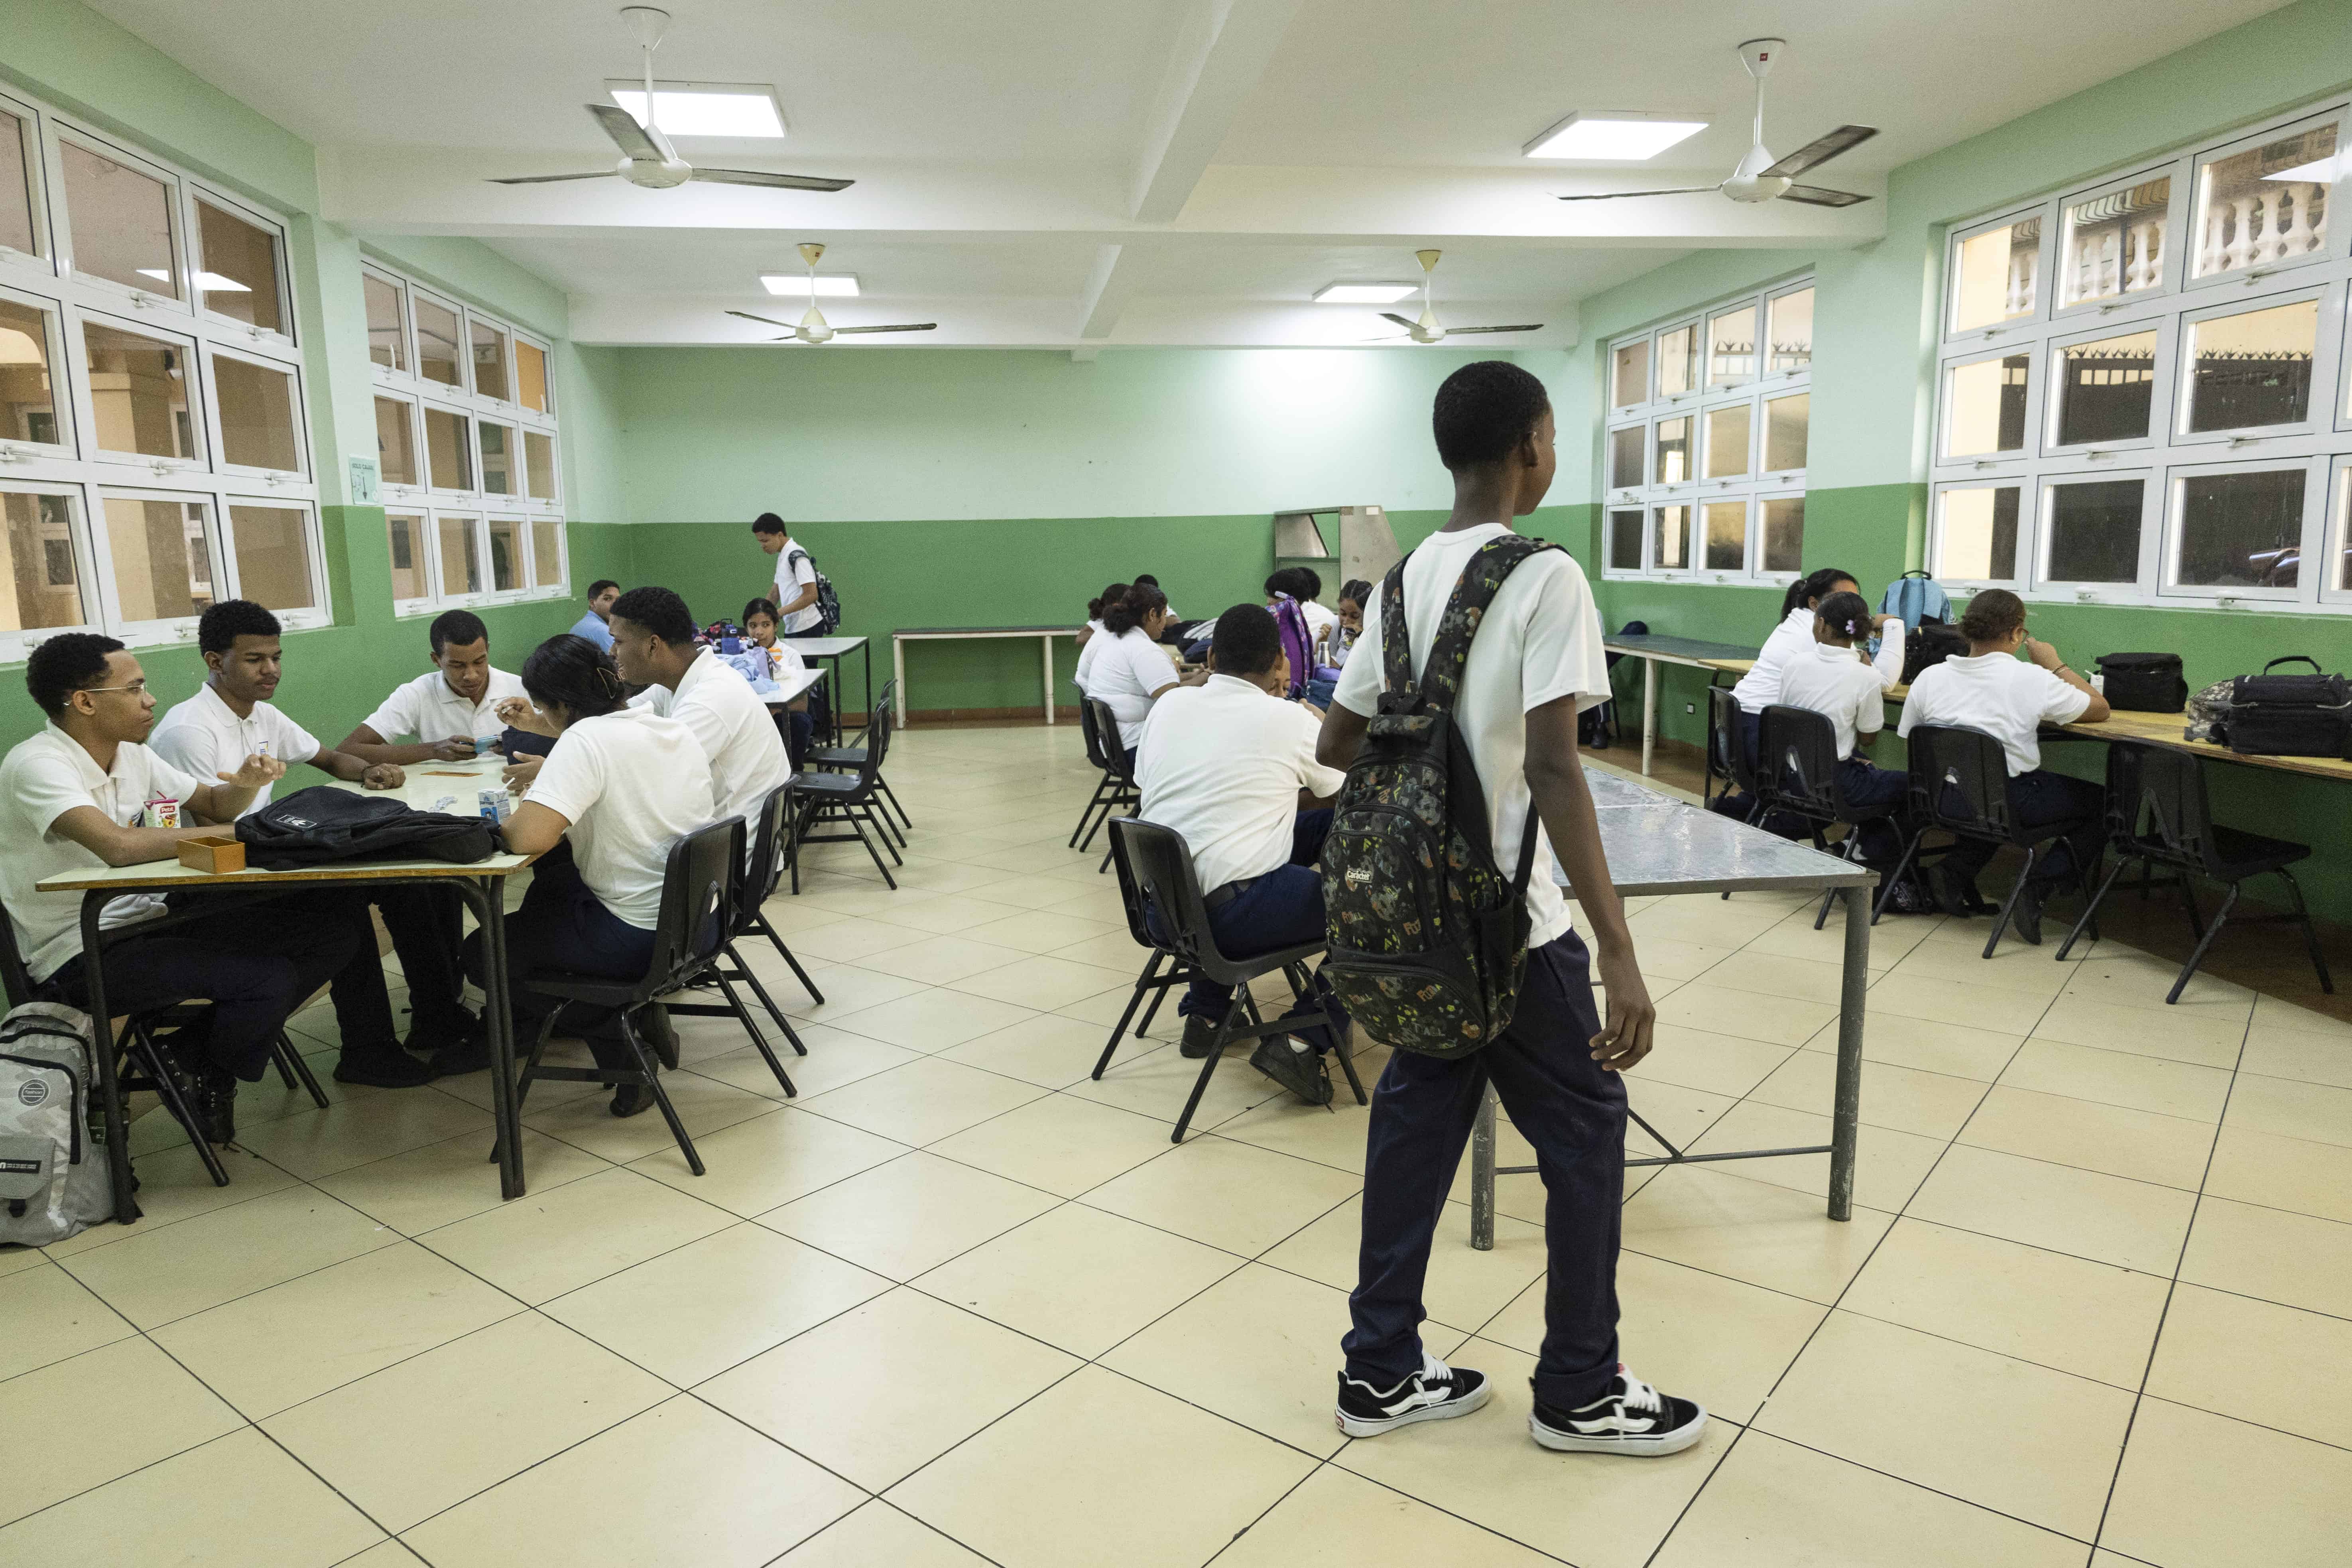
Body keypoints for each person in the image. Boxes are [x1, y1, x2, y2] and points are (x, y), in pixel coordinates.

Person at [1319, 361, 1704, 1456]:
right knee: (1584, 1130)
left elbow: (1336, 742)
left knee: (1415, 1122)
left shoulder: (1397, 584)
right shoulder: (1544, 574)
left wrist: (1423, 736)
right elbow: (1551, 765)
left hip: (1415, 920)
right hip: (1513, 924)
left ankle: (1379, 1367)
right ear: (1533, 443)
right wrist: (1617, 947)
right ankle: (1579, 1385)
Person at [0, 634, 364, 1142]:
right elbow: (118, 847)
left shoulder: (132, 756)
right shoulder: (38, 765)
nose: (149, 700)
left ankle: (189, 1057)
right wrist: (246, 832)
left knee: (334, 937)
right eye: (134, 689)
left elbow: (215, 804)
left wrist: (244, 784)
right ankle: (204, 1064)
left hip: (149, 920)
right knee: (266, 978)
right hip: (79, 951)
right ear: (84, 702)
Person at [148, 600, 448, 1086]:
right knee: (344, 903)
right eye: (255, 660)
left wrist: (371, 770)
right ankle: (367, 1050)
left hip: (262, 859)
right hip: (212, 884)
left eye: (276, 657)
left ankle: (438, 1016)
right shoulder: (189, 731)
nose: (271, 670)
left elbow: (331, 758)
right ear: (215, 661)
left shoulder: (263, 716)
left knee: (406, 881)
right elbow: (212, 830)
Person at [477, 635, 717, 1116]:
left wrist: (512, 815)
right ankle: (635, 1015)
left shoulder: (584, 741)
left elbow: (527, 839)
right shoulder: (667, 727)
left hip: (639, 936)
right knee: (550, 890)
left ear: (562, 706)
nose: (542, 718)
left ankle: (621, 1042)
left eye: (542, 709)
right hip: (699, 924)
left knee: (484, 954)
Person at [1136, 603, 1347, 1104]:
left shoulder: (1169, 706)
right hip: (1233, 917)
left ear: (1211, 657)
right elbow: (1349, 787)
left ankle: (1207, 1014)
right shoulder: (1289, 718)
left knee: (1317, 829)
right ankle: (1302, 1041)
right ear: (1279, 662)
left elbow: (1156, 785)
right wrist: (1316, 722)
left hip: (1164, 910)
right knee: (1374, 913)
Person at [1897, 588, 2110, 942]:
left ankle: (1954, 870)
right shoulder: (2030, 678)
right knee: (2104, 803)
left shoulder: (1930, 677)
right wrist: (2054, 664)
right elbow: (2100, 709)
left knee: (1988, 793)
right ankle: (2039, 886)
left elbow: (1911, 739)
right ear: (2016, 633)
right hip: (2003, 803)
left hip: (1941, 799)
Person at [1712, 567, 1905, 824]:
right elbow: (1884, 683)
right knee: (1849, 770)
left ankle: (1740, 811)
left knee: (1833, 764)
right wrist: (1894, 626)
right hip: (1762, 738)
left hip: (1744, 731)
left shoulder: (1796, 624)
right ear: (1816, 605)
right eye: (1839, 599)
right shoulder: (1817, 634)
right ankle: (1778, 825)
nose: (1848, 607)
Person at [1773, 590, 1923, 908]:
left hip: (1793, 778)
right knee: (1917, 786)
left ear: (1821, 624)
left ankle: (1850, 848)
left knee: (1872, 775)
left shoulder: (1794, 664)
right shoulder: (1865, 675)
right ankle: (1864, 853)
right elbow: (1868, 738)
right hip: (1838, 785)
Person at [610, 585, 790, 840]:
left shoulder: (709, 699)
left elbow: (651, 780)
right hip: (717, 835)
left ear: (653, 646)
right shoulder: (680, 681)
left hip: (730, 853)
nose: (612, 652)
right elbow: (618, 720)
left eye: (618, 641)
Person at [339, 610, 527, 765]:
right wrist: (433, 750)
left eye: (479, 662)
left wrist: (523, 744)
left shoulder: (520, 688)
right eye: (457, 665)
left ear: (488, 650)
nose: (471, 675)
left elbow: (548, 747)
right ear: (436, 660)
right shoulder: (416, 694)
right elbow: (347, 751)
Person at [1087, 583, 1197, 751]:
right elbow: (1172, 695)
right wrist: (1207, 677)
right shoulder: (1142, 648)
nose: (1165, 622)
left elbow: (1163, 683)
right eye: (1164, 615)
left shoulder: (1117, 639)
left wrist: (1199, 675)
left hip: (1116, 744)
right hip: (1134, 745)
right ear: (1153, 615)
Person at [750, 514, 833, 737]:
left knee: (807, 681)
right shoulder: (783, 556)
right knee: (800, 677)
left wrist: (777, 613)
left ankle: (820, 728)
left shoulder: (797, 556)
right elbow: (775, 591)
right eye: (760, 542)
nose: (763, 546)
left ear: (779, 535)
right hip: (795, 625)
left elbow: (811, 595)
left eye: (765, 540)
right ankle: (814, 727)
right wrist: (760, 613)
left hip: (808, 625)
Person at [744, 596, 814, 768]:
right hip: (753, 717)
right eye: (753, 626)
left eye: (766, 625)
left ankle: (794, 774)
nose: (759, 632)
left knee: (799, 722)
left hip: (783, 716)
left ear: (776, 626)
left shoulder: (791, 656)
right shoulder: (742, 657)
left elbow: (802, 705)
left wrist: (775, 710)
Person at [1074, 582, 1129, 696]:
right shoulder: (1102, 621)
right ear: (1118, 605)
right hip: (1095, 688)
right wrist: (1110, 635)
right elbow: (1080, 638)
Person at [1325, 578, 1371, 668]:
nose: (1346, 621)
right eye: (1343, 614)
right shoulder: (1349, 633)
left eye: (1354, 616)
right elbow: (1342, 668)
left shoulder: (1373, 637)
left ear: (1367, 612)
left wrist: (1362, 636)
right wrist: (1322, 646)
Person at [569, 580, 620, 653]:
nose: (615, 604)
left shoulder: (583, 624)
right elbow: (623, 659)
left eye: (618, 600)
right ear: (592, 603)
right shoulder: (600, 629)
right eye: (608, 599)